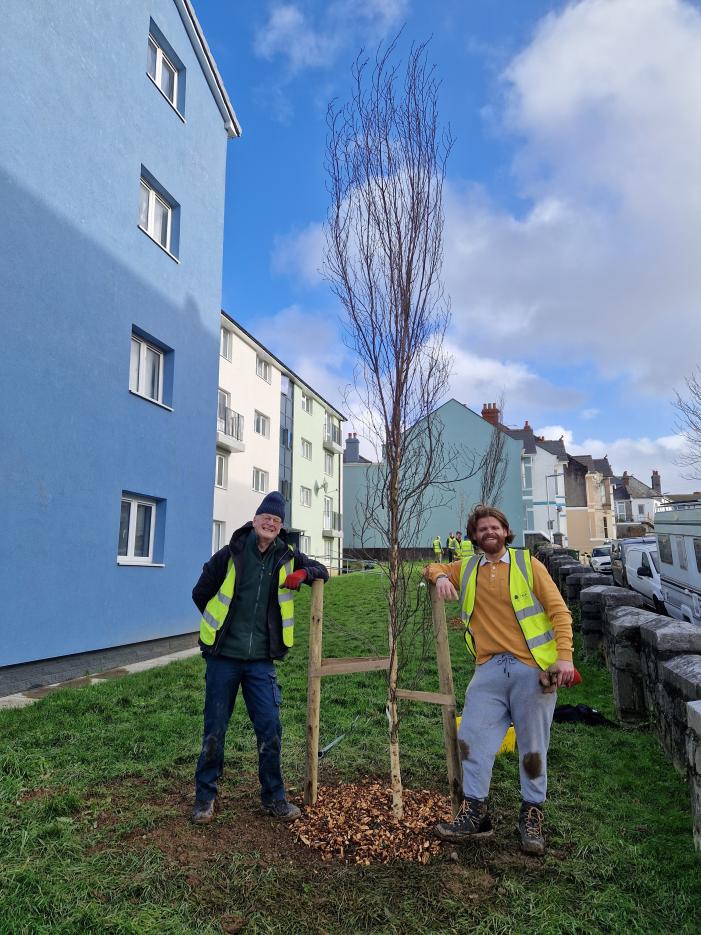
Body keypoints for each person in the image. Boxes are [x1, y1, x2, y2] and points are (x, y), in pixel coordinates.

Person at [423, 505, 574, 855]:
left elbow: (559, 612)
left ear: (506, 532)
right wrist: (441, 577)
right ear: (474, 536)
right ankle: (475, 814)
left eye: (495, 527)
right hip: (489, 669)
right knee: (471, 738)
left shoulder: (527, 564)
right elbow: (432, 566)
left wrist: (563, 657)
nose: (488, 532)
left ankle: (531, 815)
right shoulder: (470, 568)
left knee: (532, 747)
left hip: (532, 669)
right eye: (481, 529)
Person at [190, 491, 329, 825]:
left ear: (280, 528)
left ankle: (273, 797)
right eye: (265, 517)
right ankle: (205, 797)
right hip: (223, 657)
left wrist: (304, 575)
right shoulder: (230, 554)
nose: (270, 523)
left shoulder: (286, 556)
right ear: (254, 521)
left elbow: (322, 569)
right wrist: (220, 628)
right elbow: (201, 593)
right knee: (215, 729)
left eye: (277, 520)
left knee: (270, 728)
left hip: (260, 662)